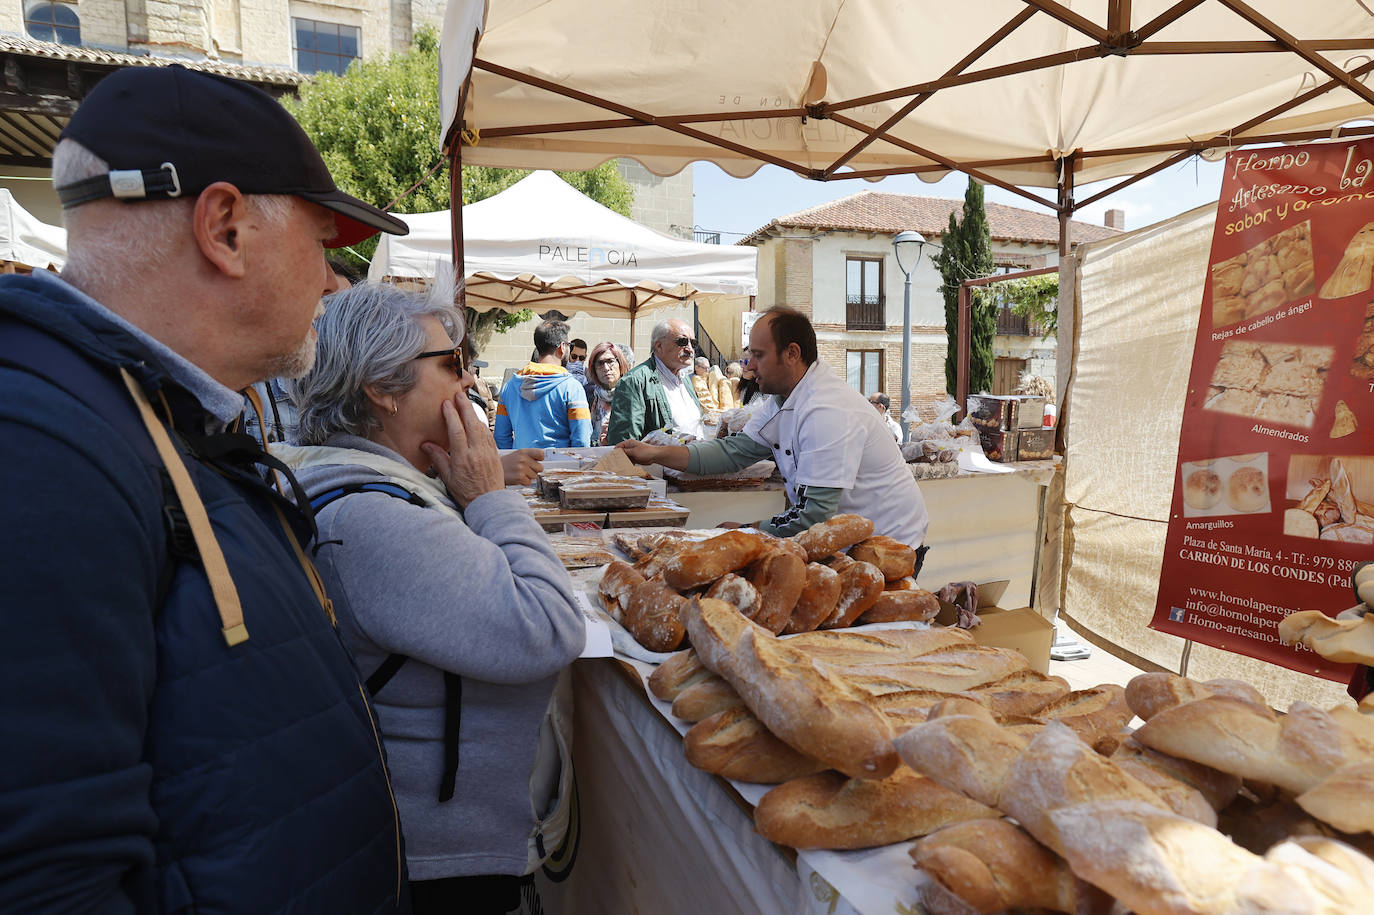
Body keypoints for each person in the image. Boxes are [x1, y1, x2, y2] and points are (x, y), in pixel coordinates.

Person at [0, 66, 410, 912]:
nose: (335, 283)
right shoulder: (40, 447)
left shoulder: (148, 415)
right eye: (323, 241)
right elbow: (42, 871)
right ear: (224, 227)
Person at [283, 283, 585, 915]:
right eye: (452, 363)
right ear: (382, 388)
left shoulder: (372, 489)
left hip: (429, 845)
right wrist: (490, 497)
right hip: (438, 867)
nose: (470, 382)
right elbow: (549, 629)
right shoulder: (374, 519)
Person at [617, 306, 929, 549]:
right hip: (842, 540)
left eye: (758, 355)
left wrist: (747, 532)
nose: (749, 365)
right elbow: (733, 452)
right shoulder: (783, 399)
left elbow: (813, 513)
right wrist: (656, 453)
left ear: (792, 354)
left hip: (888, 542)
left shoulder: (826, 409)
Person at [244, 255, 360, 444]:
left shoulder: (362, 389)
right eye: (326, 302)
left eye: (347, 309)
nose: (333, 318)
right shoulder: (253, 386)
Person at [495, 319, 592, 448]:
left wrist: (516, 460)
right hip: (562, 466)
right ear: (562, 347)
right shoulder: (572, 388)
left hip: (522, 464)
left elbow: (500, 436)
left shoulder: (509, 386)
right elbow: (582, 439)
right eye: (570, 345)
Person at [606, 318, 704, 443]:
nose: (690, 349)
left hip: (693, 460)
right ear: (659, 346)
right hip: (658, 462)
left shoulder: (685, 379)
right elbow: (624, 442)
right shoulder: (634, 381)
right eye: (682, 342)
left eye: (693, 343)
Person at [586, 339, 629, 444]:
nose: (606, 368)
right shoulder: (589, 396)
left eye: (610, 361)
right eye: (600, 363)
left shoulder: (631, 394)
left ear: (620, 363)